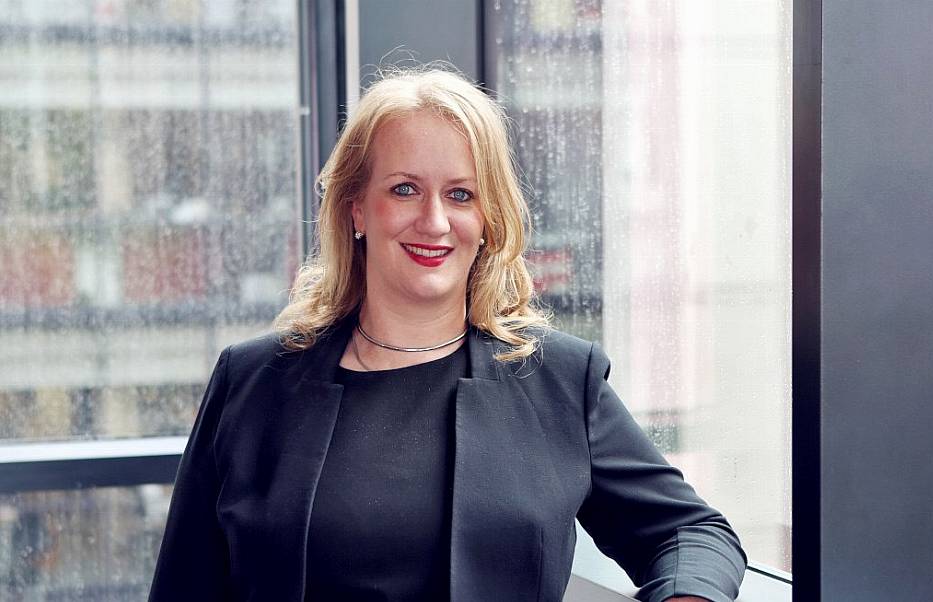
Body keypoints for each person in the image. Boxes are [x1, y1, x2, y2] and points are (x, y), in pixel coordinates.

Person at [148, 67, 746, 602]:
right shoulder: (252, 382)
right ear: (357, 208)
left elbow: (693, 533)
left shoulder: (560, 380)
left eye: (460, 195)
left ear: (488, 219)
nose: (434, 221)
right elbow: (184, 584)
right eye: (404, 189)